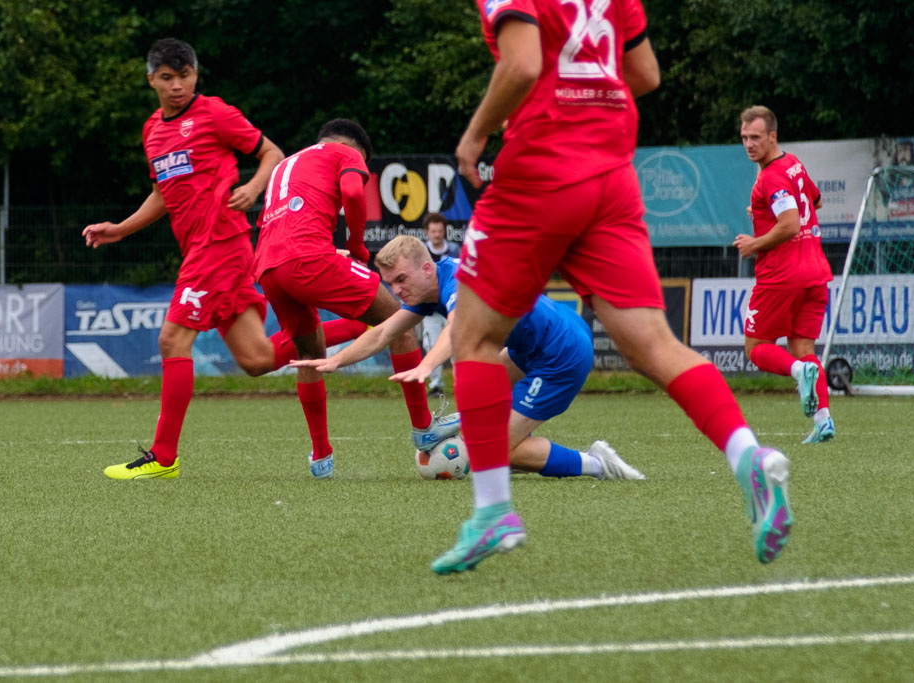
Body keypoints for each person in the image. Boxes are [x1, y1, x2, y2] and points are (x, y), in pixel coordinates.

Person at [433, 0, 794, 574]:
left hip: (543, 167)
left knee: (472, 338)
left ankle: (493, 512)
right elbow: (646, 74)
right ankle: (748, 455)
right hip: (611, 172)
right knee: (654, 344)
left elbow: (523, 64)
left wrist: (475, 137)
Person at [82, 39, 366, 480]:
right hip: (201, 249)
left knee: (172, 342)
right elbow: (163, 192)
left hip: (221, 242)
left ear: (196, 74)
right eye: (167, 78)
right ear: (151, 80)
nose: (177, 86)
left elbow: (270, 152)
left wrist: (253, 188)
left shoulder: (215, 113)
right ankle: (366, 322)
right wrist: (121, 228)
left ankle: (163, 457)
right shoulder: (152, 131)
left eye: (185, 76)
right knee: (256, 361)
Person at [292, 235, 646, 482]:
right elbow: (384, 332)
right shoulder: (429, 288)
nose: (396, 291)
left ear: (426, 268)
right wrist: (335, 362)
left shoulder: (458, 281)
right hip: (533, 344)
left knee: (495, 450)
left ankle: (597, 464)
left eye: (401, 279)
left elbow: (459, 328)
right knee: (475, 392)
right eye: (390, 284)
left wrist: (427, 365)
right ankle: (487, 445)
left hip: (561, 353)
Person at [254, 119, 460, 479]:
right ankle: (424, 426)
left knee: (308, 356)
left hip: (268, 267)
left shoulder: (287, 163)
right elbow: (352, 193)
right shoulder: (346, 151)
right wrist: (355, 245)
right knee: (401, 320)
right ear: (359, 150)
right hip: (308, 257)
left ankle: (321, 458)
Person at [734, 106, 835, 444]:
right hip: (815, 271)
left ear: (772, 136)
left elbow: (790, 224)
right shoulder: (793, 164)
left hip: (782, 275)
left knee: (756, 347)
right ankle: (823, 421)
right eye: (745, 137)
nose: (749, 144)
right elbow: (814, 203)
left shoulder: (770, 176)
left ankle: (797, 371)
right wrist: (762, 211)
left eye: (756, 138)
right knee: (802, 345)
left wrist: (754, 243)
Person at [421, 212, 461, 396]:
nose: (437, 234)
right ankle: (435, 385)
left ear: (444, 231)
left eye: (439, 231)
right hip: (430, 307)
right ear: (427, 232)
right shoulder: (421, 252)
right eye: (433, 231)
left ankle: (460, 382)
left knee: (456, 343)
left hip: (453, 306)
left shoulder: (455, 250)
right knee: (432, 345)